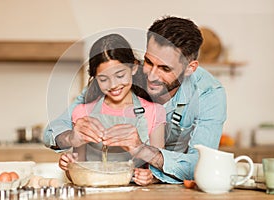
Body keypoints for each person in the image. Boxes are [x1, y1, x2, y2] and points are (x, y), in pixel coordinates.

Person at [44, 16, 227, 185]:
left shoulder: (209, 94)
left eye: (164, 68)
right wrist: (71, 137)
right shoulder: (120, 76)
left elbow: (202, 164)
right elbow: (51, 131)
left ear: (189, 68)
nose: (152, 76)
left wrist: (144, 152)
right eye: (149, 62)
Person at [56, 33, 166, 186]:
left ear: (133, 68)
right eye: (103, 79)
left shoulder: (154, 112)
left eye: (120, 75)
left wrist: (151, 177)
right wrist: (69, 166)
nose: (113, 85)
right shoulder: (82, 113)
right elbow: (78, 168)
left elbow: (161, 168)